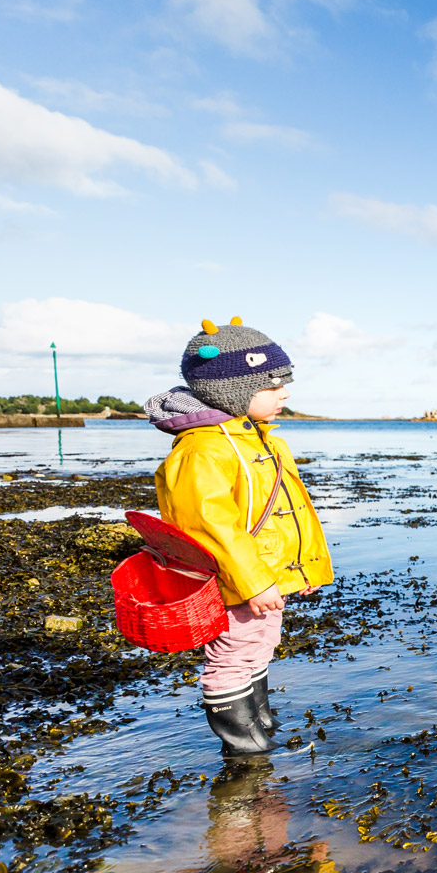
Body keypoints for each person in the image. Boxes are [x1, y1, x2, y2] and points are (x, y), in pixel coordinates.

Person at [146, 318, 333, 757]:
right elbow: (210, 527)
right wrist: (255, 583)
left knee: (258, 647)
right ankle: (244, 753)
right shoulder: (203, 450)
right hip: (235, 583)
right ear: (231, 391)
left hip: (264, 576)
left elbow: (289, 515)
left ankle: (260, 726)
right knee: (232, 656)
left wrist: (295, 571)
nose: (284, 393)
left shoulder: (260, 440)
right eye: (272, 385)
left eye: (284, 382)